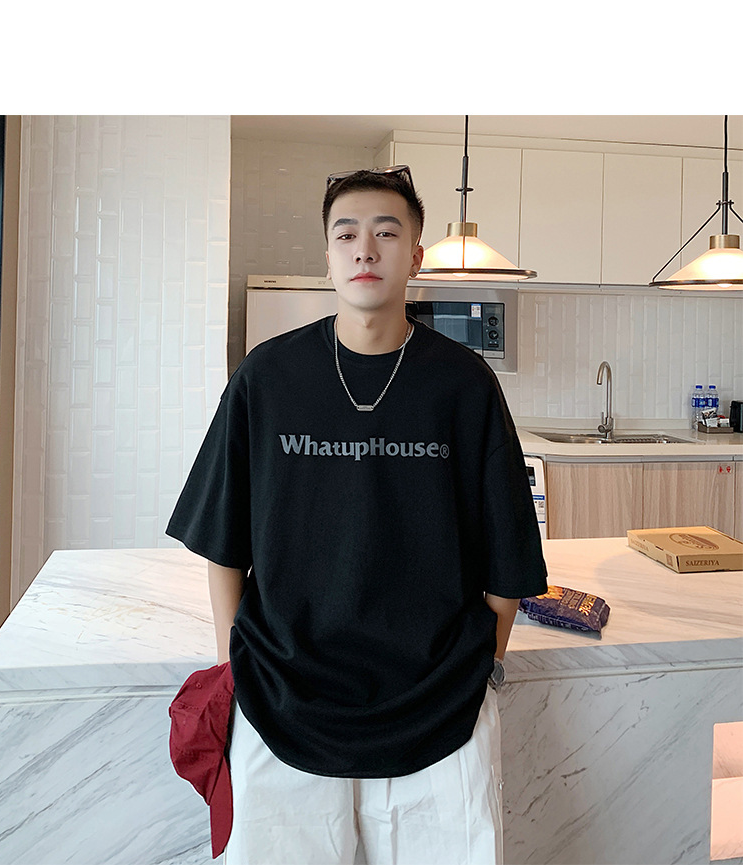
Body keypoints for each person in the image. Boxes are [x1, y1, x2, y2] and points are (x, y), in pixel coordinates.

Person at [166, 165, 548, 865]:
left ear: (416, 256)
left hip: (439, 708)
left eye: (385, 232)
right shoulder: (266, 378)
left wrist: (483, 667)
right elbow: (223, 542)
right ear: (328, 256)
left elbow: (509, 559)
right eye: (346, 235)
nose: (364, 249)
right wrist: (232, 665)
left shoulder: (464, 385)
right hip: (282, 701)